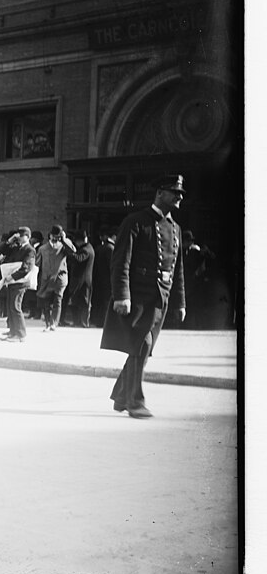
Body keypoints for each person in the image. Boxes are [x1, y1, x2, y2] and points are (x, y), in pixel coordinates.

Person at [101, 175, 187, 419]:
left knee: (143, 348)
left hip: (162, 296)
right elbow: (121, 262)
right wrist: (122, 296)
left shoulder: (176, 228)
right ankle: (135, 401)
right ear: (160, 193)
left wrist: (180, 301)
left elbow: (177, 270)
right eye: (174, 192)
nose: (179, 196)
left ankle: (121, 396)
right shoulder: (136, 221)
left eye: (181, 193)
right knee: (143, 344)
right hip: (137, 297)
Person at [34, 225, 76, 332]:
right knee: (46, 301)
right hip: (46, 279)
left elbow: (73, 251)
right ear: (50, 235)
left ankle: (54, 323)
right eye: (53, 236)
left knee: (58, 299)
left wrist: (64, 239)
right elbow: (37, 264)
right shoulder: (43, 249)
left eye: (57, 236)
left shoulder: (63, 246)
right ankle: (48, 323)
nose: (55, 238)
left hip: (59, 278)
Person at [0, 227, 36, 343]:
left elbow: (26, 268)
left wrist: (12, 276)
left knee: (15, 307)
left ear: (28, 237)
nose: (19, 237)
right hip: (12, 281)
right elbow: (0, 252)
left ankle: (20, 334)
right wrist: (9, 241)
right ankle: (13, 331)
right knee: (10, 307)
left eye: (22, 235)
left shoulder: (30, 250)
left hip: (20, 282)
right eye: (18, 235)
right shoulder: (16, 248)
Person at [65, 229, 96, 328]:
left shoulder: (86, 250)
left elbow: (78, 259)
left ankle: (83, 322)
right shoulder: (88, 248)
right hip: (82, 280)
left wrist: (70, 252)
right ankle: (78, 322)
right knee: (78, 302)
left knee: (83, 302)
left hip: (82, 281)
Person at [90, 226, 116, 328]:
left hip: (99, 278)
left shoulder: (99, 247)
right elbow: (112, 266)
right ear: (113, 236)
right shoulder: (111, 248)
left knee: (99, 301)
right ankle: (105, 322)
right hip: (108, 280)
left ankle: (97, 320)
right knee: (107, 302)